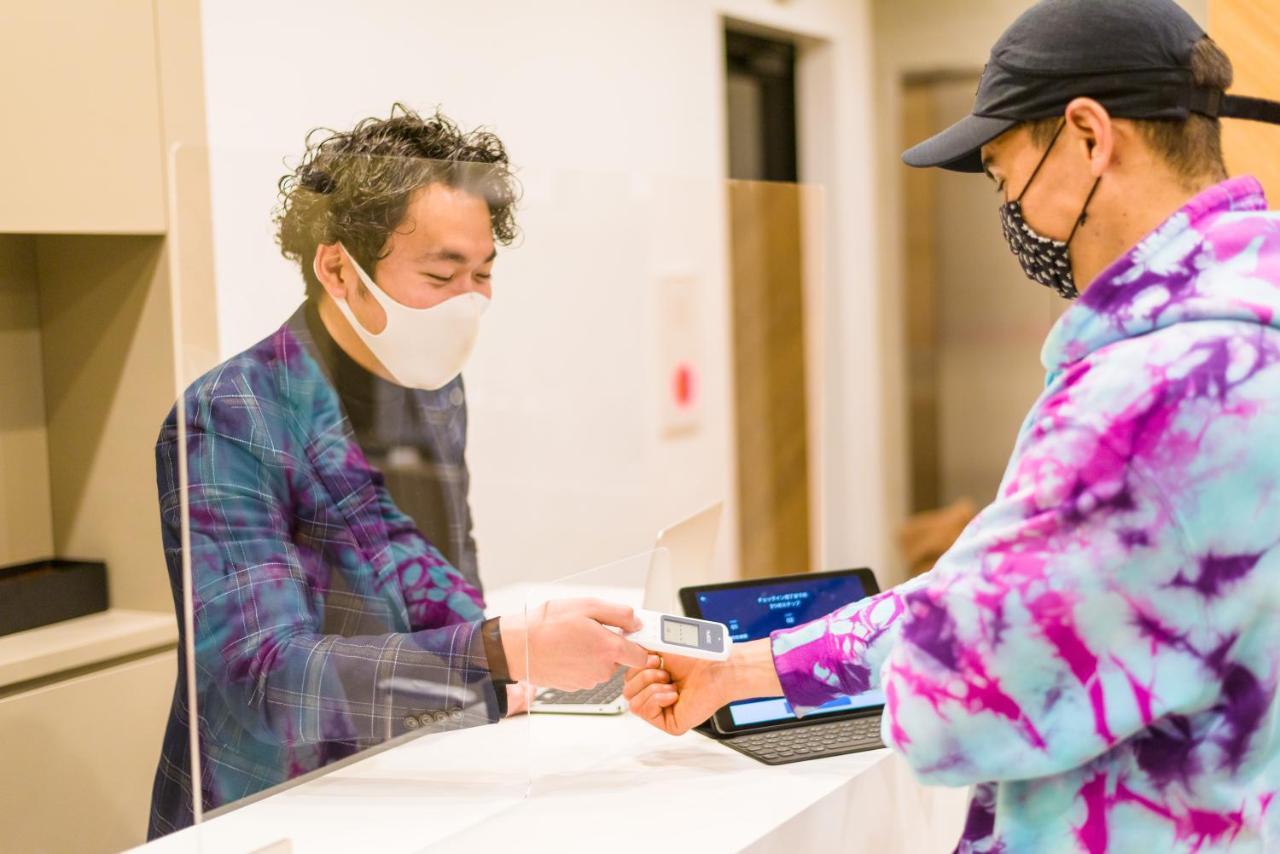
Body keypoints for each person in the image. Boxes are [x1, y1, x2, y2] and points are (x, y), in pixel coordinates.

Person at [625, 1, 1280, 850]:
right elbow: (1001, 595)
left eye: (1006, 177)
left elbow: (958, 698)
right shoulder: (1246, 325)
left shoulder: (1151, 396)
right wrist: (749, 669)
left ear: (1090, 137)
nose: (1010, 211)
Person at [148, 105, 647, 838]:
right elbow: (257, 679)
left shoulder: (434, 388)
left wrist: (510, 675)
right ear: (338, 268)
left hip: (415, 779)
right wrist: (502, 650)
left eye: (482, 273)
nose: (468, 303)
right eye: (442, 273)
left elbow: (444, 587)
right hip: (270, 810)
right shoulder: (230, 415)